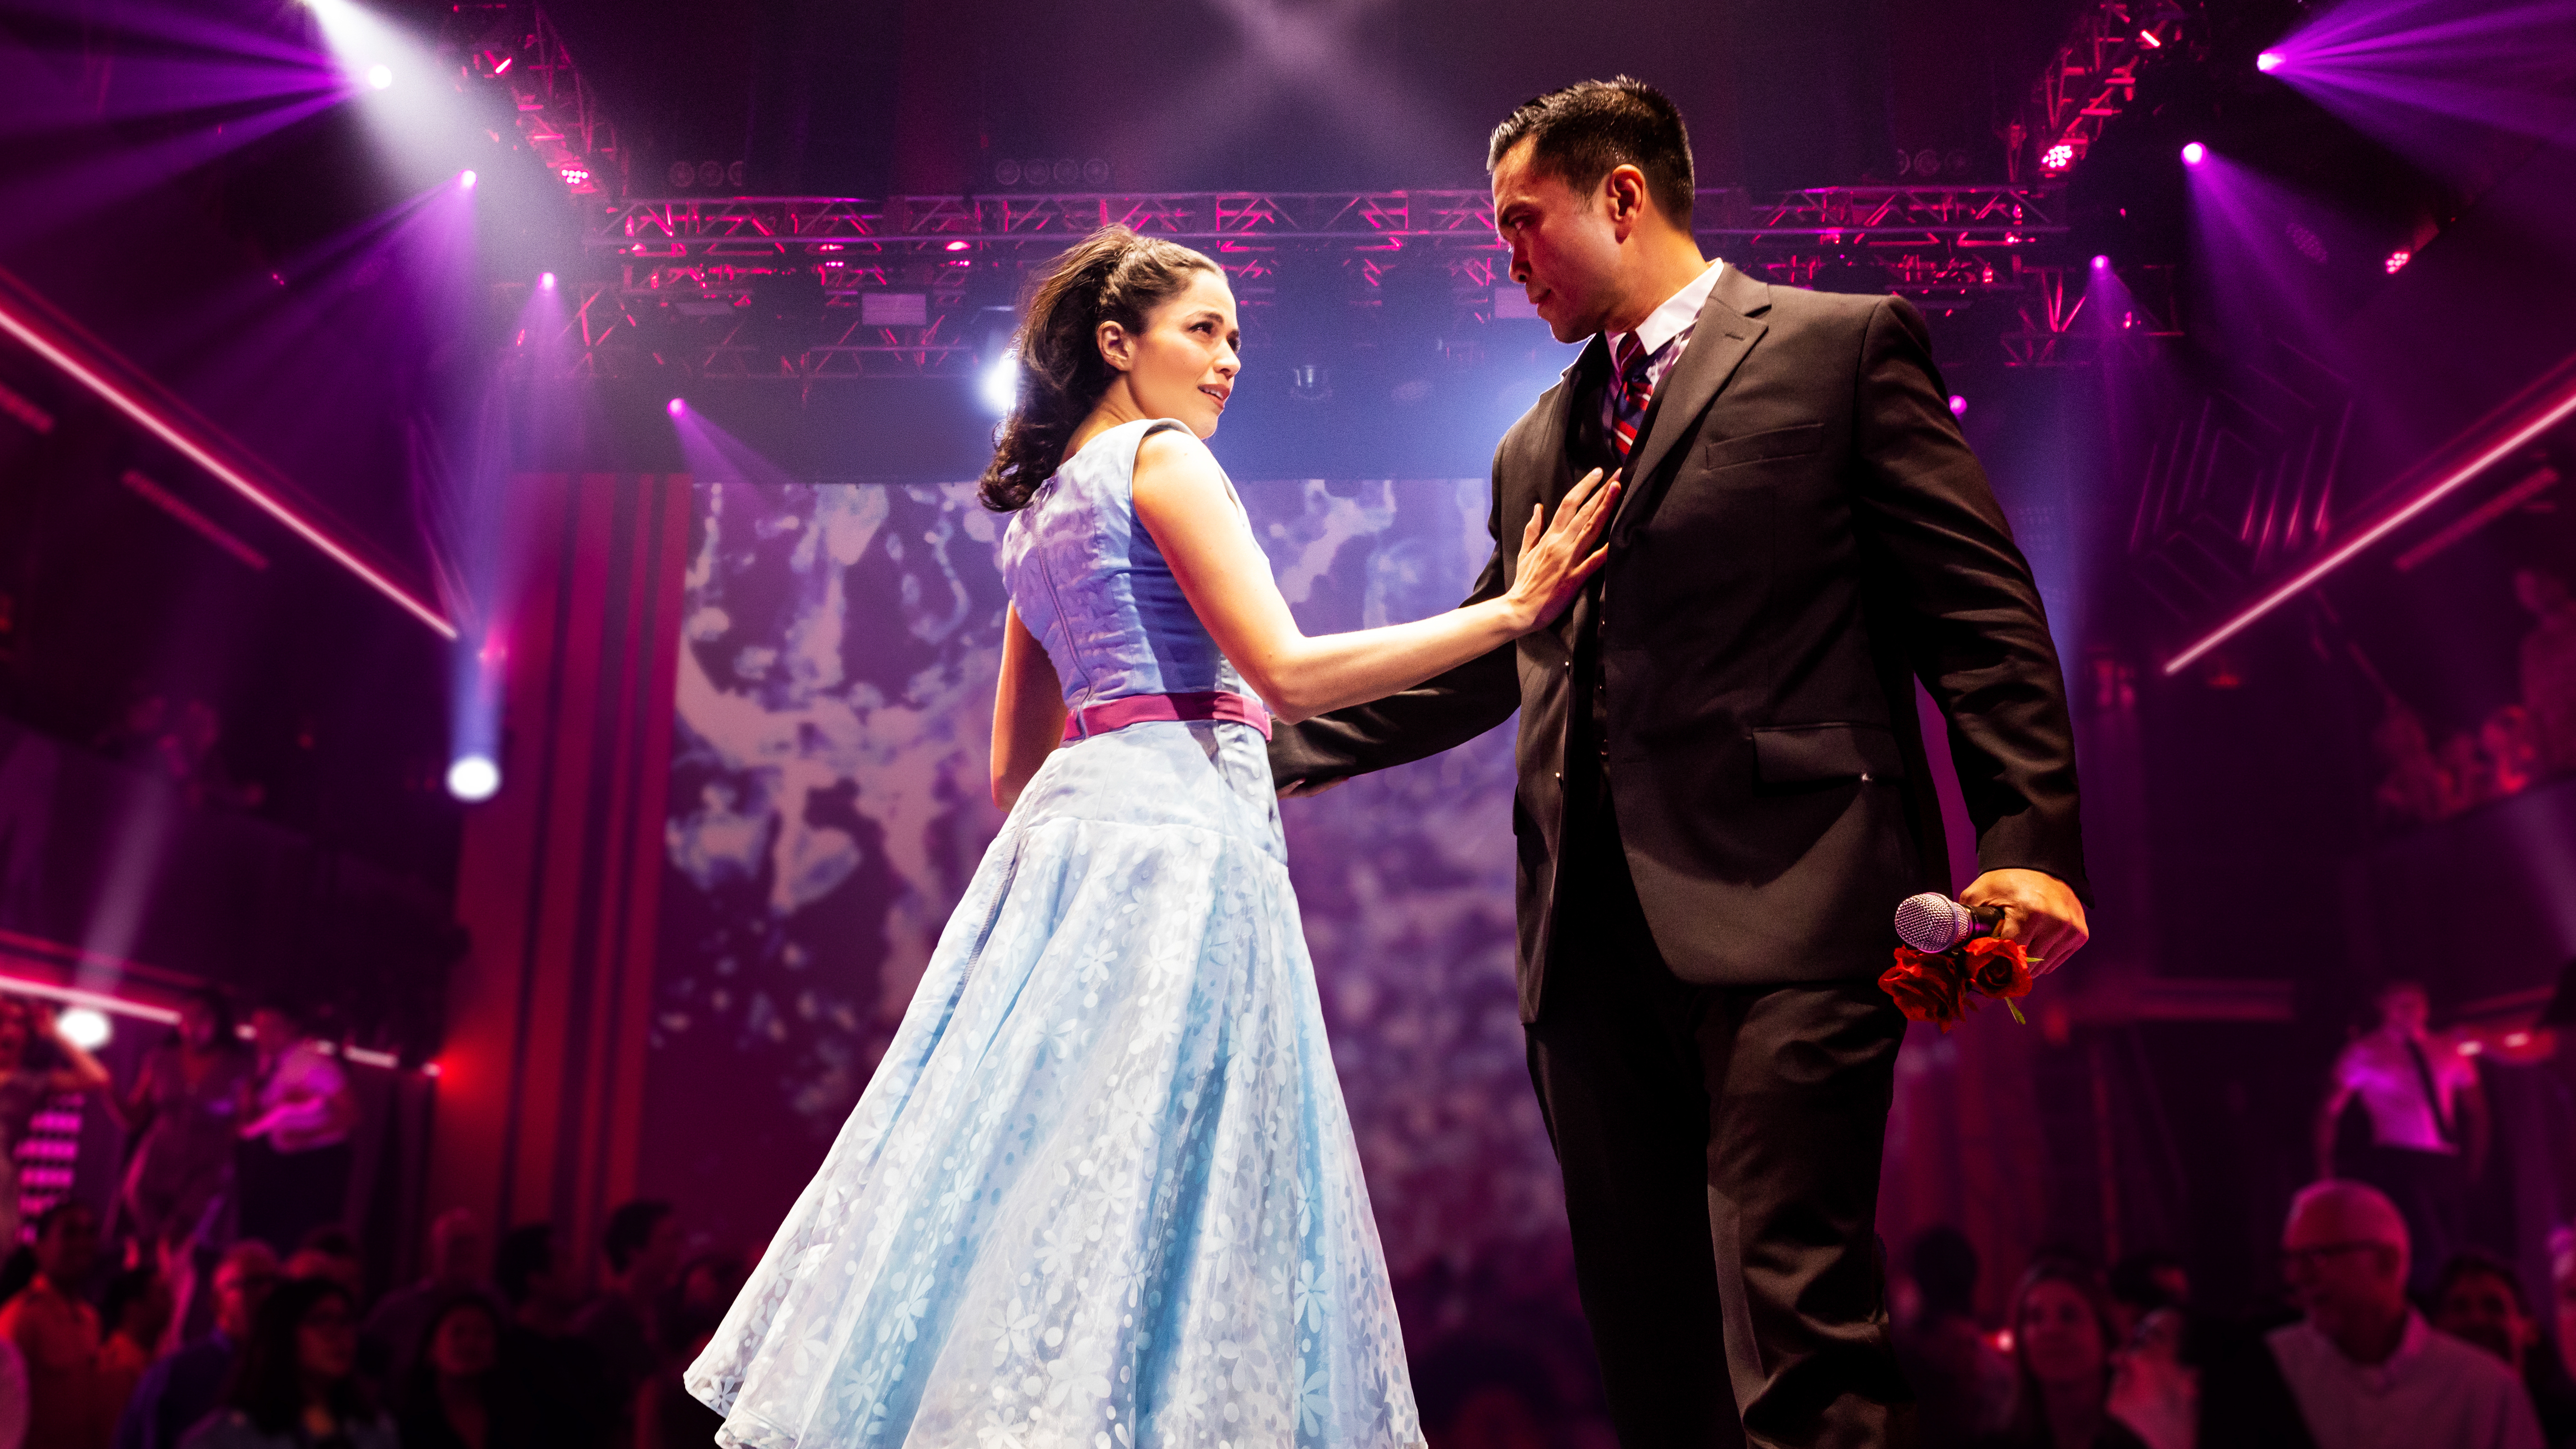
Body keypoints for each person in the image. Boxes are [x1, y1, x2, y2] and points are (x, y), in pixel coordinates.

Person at [684, 222, 1613, 1446]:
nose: (1230, 359)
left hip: (1072, 845)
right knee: (1165, 1175)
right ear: (1117, 343)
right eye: (1204, 330)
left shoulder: (1035, 508)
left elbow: (1011, 763)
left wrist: (1086, 845)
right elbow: (1284, 672)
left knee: (1032, 1166)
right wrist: (1511, 610)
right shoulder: (1161, 458)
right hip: (1177, 841)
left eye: (1235, 335)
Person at [1267, 77, 2089, 1446]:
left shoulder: (1839, 349)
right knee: (1651, 1345)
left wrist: (2027, 843)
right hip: (1585, 949)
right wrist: (1258, 749)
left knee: (1795, 1313)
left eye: (1523, 221)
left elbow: (1978, 613)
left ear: (1623, 196)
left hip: (1800, 905)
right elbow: (1490, 654)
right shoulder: (1538, 436)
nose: (1507, 257)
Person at [2199, 1180, 2541, 1449]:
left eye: (2316, 1256)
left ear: (2387, 1263)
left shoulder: (2484, 1389)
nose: (2295, 1276)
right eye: (2289, 1259)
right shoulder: (2267, 1370)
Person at [2315, 980, 2486, 1294]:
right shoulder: (2364, 1052)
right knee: (2427, 1247)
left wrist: (2473, 1165)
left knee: (2454, 1247)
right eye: (2401, 1000)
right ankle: (2422, 1304)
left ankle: (2444, 1309)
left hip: (2442, 1162)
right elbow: (2328, 1111)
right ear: (2382, 1004)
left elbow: (2475, 1109)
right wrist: (2324, 1169)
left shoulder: (2446, 1048)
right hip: (2397, 1161)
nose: (2411, 1007)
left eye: (2417, 999)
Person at [109, 992, 252, 1261]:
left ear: (219, 1021)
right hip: (156, 1162)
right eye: (184, 1018)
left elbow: (245, 1124)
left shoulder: (239, 1066)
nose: (191, 1025)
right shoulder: (160, 1059)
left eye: (201, 1017)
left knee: (181, 1248)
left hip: (205, 1167)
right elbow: (134, 1119)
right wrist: (107, 1089)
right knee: (143, 1248)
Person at [174, 1277, 391, 1449]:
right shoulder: (231, 1437)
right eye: (320, 1320)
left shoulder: (374, 1430)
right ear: (283, 1335)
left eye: (345, 1321)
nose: (338, 1335)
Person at [110, 1242, 276, 1449]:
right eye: (253, 1283)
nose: (269, 1292)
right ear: (217, 1301)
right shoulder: (176, 1375)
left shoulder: (287, 1370)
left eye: (277, 1282)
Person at [1975, 1259, 2151, 1449]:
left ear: (2105, 1334)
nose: (2051, 1330)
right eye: (2036, 1317)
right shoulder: (1997, 1443)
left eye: (2069, 1316)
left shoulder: (2146, 1440)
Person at [233, 1003, 356, 1258]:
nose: (261, 1034)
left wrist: (307, 1137)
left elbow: (352, 1114)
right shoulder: (263, 1065)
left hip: (309, 1168)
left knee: (297, 1243)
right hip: (270, 1163)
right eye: (258, 1027)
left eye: (270, 1027)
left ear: (291, 1028)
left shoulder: (315, 1064)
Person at [0, 1002, 113, 1251]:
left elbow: (98, 1078)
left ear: (27, 1036)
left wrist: (55, 1032)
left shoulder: (31, 1083)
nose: (7, 1030)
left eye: (16, 1024)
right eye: (2, 1021)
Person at [2434, 1250, 2576, 1445]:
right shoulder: (2419, 1417)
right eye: (2460, 1307)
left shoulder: (2566, 1425)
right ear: (2436, 1328)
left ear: (2530, 1330)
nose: (2477, 1319)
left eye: (2494, 1306)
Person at [1, 1200, 110, 1449]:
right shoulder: (23, 1318)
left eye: (90, 1233)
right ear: (39, 1248)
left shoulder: (90, 1318)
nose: (83, 1243)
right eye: (70, 1233)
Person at [488, 1225, 607, 1449]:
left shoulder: (582, 1354)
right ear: (536, 1280)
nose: (579, 1271)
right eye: (566, 1262)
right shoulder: (505, 1360)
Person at [1892, 1227, 2011, 1445]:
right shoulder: (2002, 1376)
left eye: (1901, 1277)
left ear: (1916, 1288)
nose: (1893, 1291)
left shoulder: (1915, 1376)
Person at [572, 1200, 676, 1446]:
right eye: (668, 1241)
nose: (677, 1250)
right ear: (635, 1252)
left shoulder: (664, 1313)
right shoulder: (599, 1324)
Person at [358, 1210, 498, 1387]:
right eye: (456, 1243)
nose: (464, 1251)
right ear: (436, 1249)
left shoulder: (495, 1304)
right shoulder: (396, 1309)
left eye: (471, 1243)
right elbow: (361, 1368)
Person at [392, 1296, 537, 1449]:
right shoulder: (399, 1422)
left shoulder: (517, 1417)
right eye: (458, 1332)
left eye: (482, 1333)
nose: (470, 1343)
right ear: (431, 1349)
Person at [93, 1267, 170, 1433]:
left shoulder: (143, 1359)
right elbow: (114, 1434)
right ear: (133, 1309)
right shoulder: (119, 1367)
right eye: (161, 1294)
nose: (171, 1301)